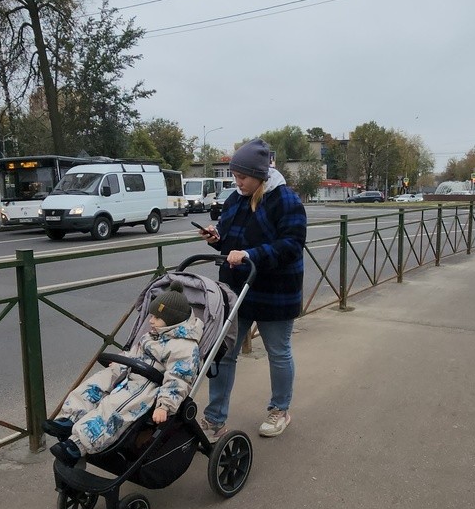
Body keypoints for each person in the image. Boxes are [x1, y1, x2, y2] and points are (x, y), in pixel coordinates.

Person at [196, 138, 307, 440]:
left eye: (242, 176)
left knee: (278, 351)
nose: (237, 181)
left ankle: (280, 409)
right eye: (234, 175)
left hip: (275, 289)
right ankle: (214, 419)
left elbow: (291, 245)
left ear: (260, 174)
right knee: (224, 354)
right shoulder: (236, 199)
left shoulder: (285, 200)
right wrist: (216, 238)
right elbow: (232, 236)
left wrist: (251, 254)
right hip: (236, 289)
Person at [46, 283, 202, 467]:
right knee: (97, 383)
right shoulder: (153, 335)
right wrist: (121, 361)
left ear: (172, 320)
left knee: (113, 406)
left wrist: (164, 406)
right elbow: (135, 353)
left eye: (157, 318)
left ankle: (78, 445)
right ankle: (69, 418)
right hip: (132, 372)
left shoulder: (184, 347)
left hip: (150, 386)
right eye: (151, 315)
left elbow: (179, 379)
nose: (151, 321)